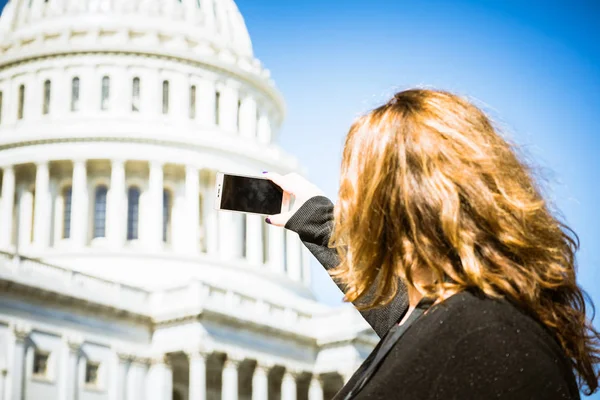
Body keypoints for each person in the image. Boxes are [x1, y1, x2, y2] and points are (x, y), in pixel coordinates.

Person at [263, 89, 600, 399]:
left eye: (357, 191)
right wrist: (316, 219)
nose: (352, 208)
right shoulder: (460, 322)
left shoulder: (489, 340)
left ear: (394, 207)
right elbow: (415, 335)